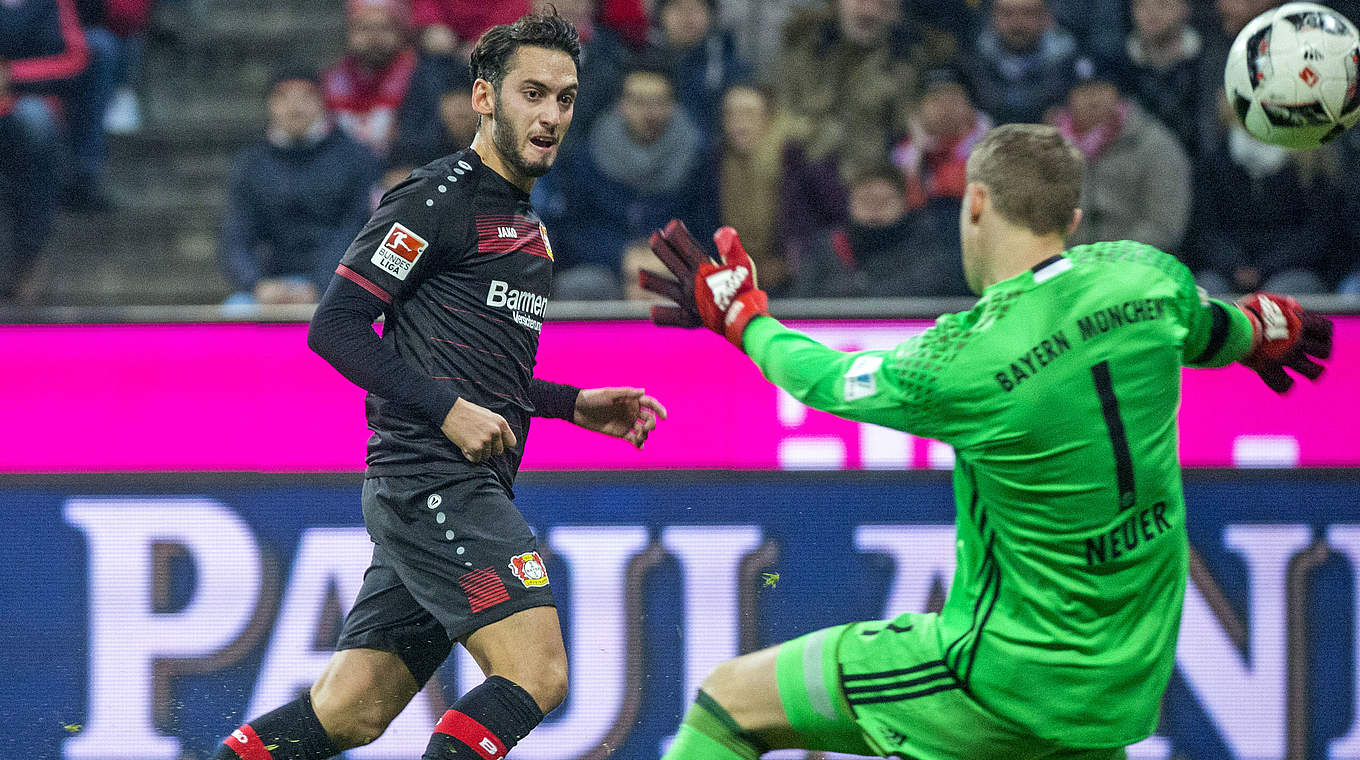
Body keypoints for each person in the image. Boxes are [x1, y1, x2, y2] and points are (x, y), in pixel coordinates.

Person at [640, 123, 1332, 760]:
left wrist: (742, 318)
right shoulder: (1147, 279)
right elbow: (1223, 330)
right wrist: (1269, 331)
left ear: (974, 205)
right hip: (1115, 695)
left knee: (728, 704)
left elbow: (825, 378)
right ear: (1074, 221)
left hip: (995, 684)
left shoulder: (964, 360)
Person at [212, 11, 665, 760]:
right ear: (485, 98)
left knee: (349, 712)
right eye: (533, 93)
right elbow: (338, 326)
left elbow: (482, 371)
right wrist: (446, 411)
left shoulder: (527, 224)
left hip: (433, 496)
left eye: (565, 97)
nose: (551, 115)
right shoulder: (434, 198)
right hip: (437, 487)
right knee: (538, 671)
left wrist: (572, 404)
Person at [220, 67, 380, 305]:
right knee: (233, 313)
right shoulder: (251, 165)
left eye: (306, 96)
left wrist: (321, 285)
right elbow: (236, 237)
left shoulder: (355, 158)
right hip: (271, 286)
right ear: (270, 104)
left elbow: (359, 231)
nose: (295, 107)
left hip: (339, 287)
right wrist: (256, 284)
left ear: (322, 102)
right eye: (283, 97)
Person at [1055, 56, 1190, 255]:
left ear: (1118, 93)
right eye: (1083, 90)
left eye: (1102, 88)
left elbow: (1164, 225)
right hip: (1067, 268)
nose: (1092, 98)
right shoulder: (1051, 147)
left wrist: (1110, 260)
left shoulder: (1153, 143)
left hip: (1137, 267)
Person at [789, 165, 969, 298]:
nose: (874, 209)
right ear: (850, 203)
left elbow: (930, 284)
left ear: (904, 203)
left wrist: (858, 288)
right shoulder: (828, 245)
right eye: (865, 201)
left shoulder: (926, 240)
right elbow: (804, 294)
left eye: (884, 201)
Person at [964, 0, 1078, 125]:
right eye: (1007, 14)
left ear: (1047, 18)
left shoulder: (1070, 64)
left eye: (1027, 13)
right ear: (992, 18)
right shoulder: (970, 63)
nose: (1017, 23)